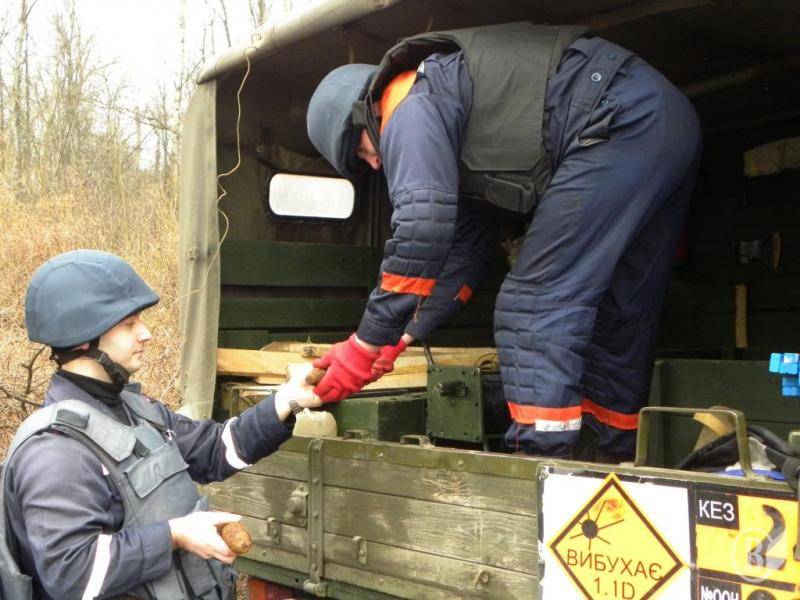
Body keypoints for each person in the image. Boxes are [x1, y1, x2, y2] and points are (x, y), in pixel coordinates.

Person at [305, 22, 701, 461]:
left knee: (532, 305)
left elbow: (421, 229)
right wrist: (398, 338)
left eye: (362, 151)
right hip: (665, 120)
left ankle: (537, 470)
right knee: (618, 307)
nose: (375, 163)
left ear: (367, 113)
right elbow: (461, 256)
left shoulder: (408, 105)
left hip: (615, 117)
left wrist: (363, 344)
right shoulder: (454, 118)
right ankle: (611, 458)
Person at [0, 250, 320, 599]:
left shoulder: (136, 410)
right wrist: (175, 535)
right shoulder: (55, 450)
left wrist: (286, 400)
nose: (146, 333)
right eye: (129, 324)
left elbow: (215, 450)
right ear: (82, 340)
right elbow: (74, 574)